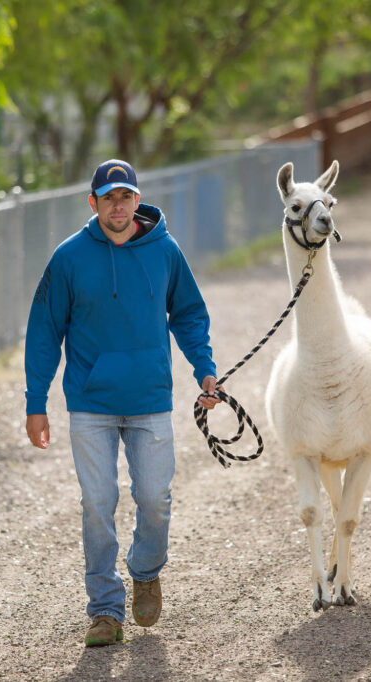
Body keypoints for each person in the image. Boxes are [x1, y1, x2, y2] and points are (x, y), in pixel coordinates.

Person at [24, 159, 221, 647]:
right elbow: (44, 332)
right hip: (90, 403)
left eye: (126, 196)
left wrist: (204, 368)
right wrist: (36, 402)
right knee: (98, 504)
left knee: (155, 499)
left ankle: (146, 572)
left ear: (137, 199)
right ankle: (105, 610)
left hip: (150, 398)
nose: (118, 206)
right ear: (92, 203)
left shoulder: (165, 250)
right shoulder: (69, 257)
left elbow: (189, 314)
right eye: (109, 198)